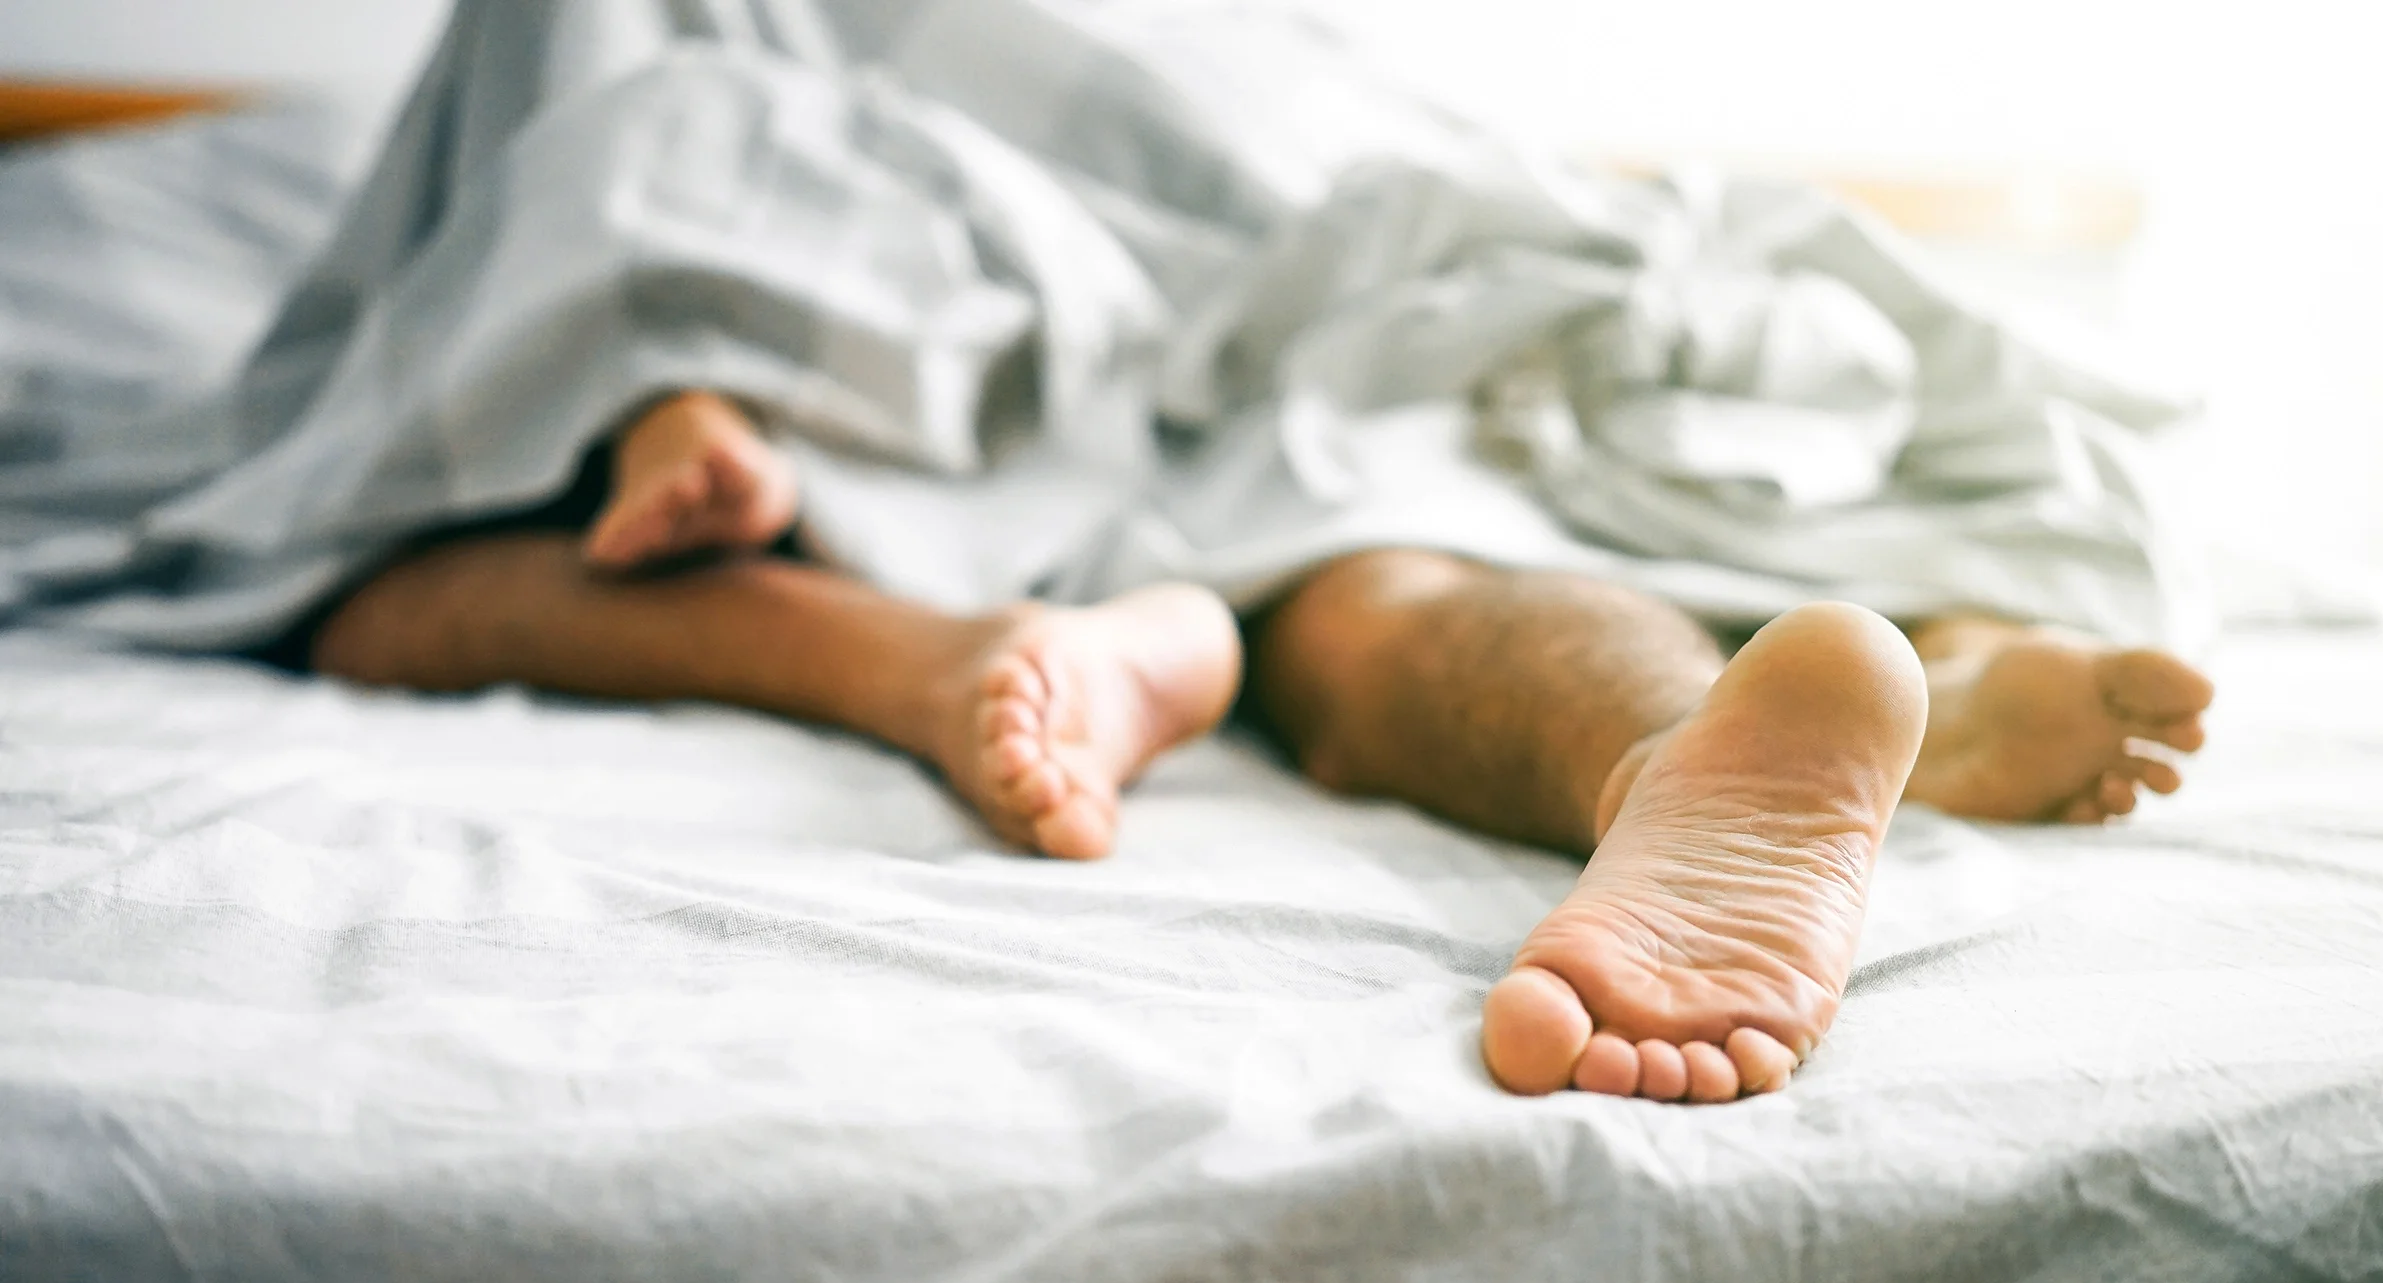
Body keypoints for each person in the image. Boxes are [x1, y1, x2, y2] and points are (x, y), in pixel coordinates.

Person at [309, 386, 2213, 1104]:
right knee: (1376, 592)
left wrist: (662, 367)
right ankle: (1690, 738)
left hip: (1140, 385)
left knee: (1366, 561)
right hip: (1132, 400)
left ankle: (1705, 751)